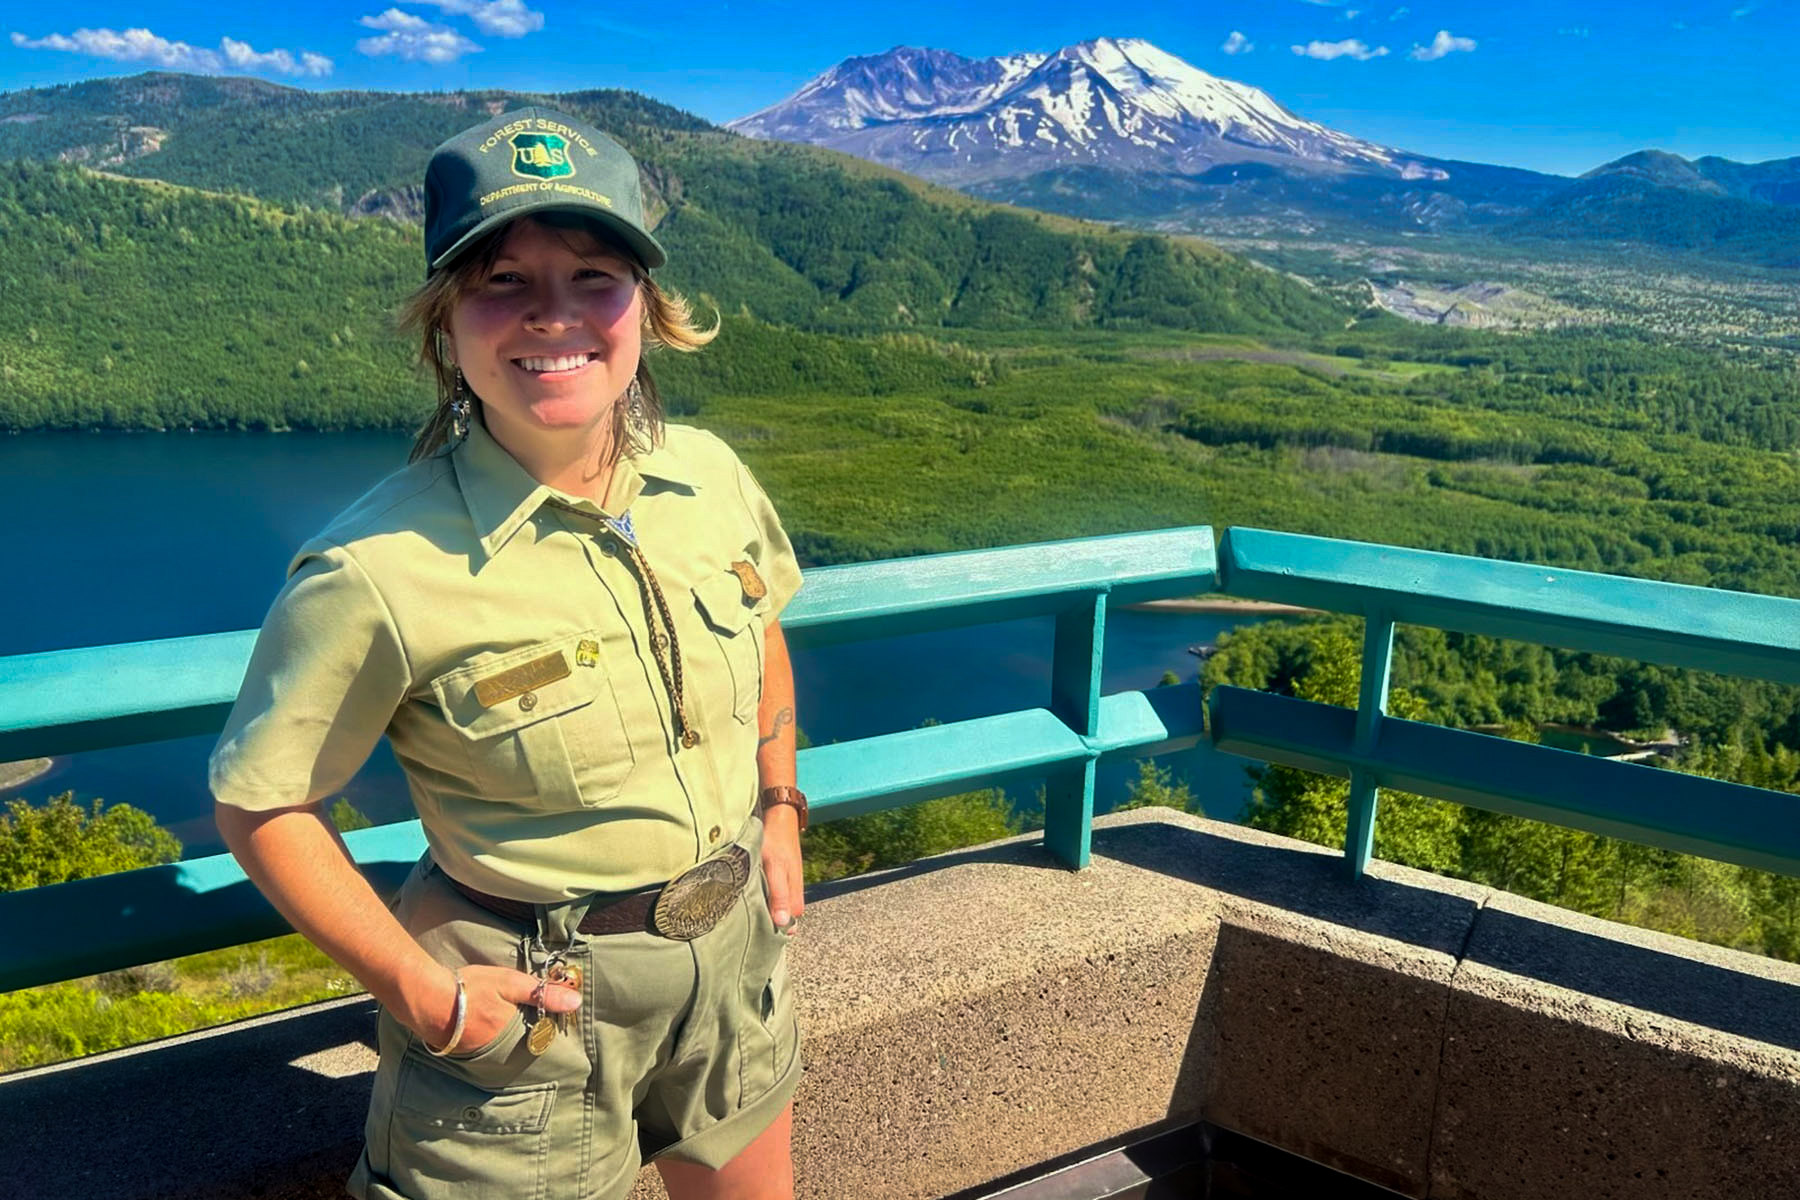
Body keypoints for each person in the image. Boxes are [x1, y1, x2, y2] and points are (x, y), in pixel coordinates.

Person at [209, 107, 807, 1200]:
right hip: (527, 1012)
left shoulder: (711, 477)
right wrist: (426, 997)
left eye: (593, 274)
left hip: (732, 966)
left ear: (647, 309)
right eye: (501, 282)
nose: (554, 316)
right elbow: (264, 805)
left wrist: (779, 807)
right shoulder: (374, 567)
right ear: (445, 328)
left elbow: (762, 628)